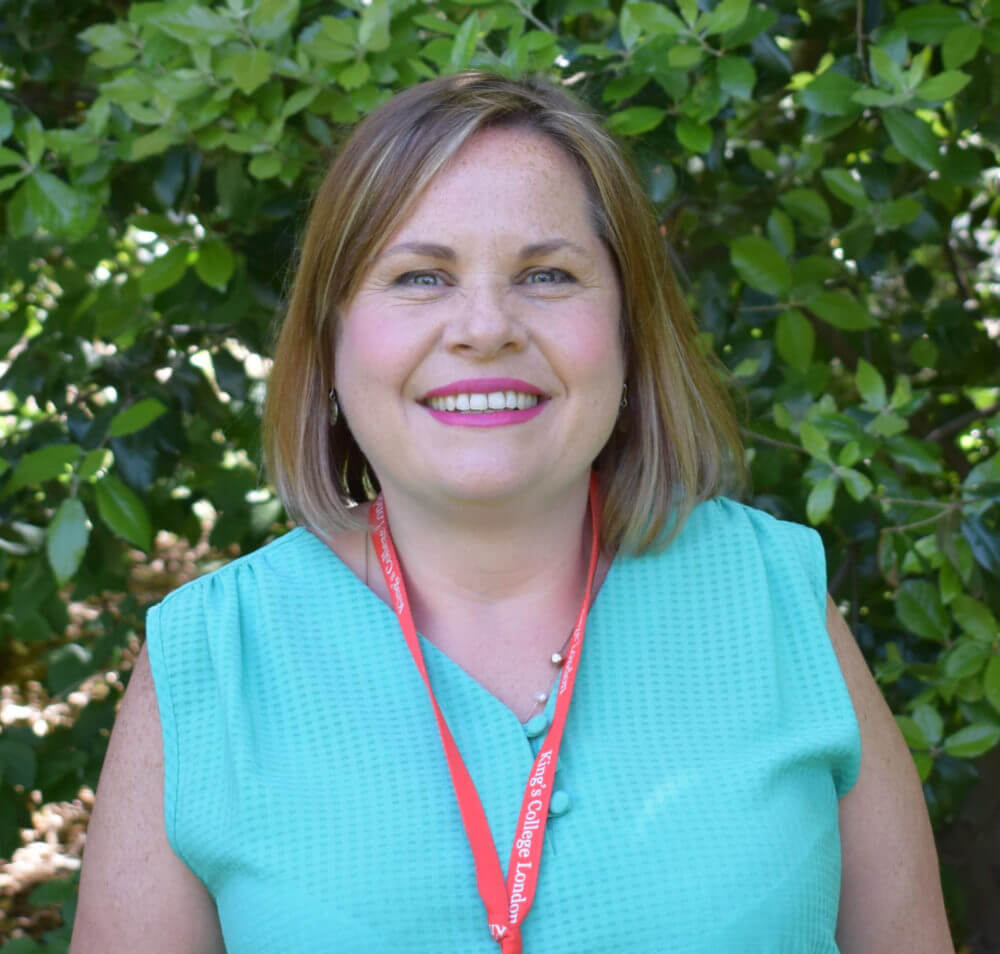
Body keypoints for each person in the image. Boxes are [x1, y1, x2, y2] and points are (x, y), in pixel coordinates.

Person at [71, 72, 952, 953]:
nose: (485, 327)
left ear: (629, 331)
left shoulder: (774, 599)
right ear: (330, 337)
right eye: (420, 276)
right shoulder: (215, 658)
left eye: (547, 273)